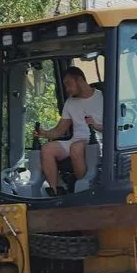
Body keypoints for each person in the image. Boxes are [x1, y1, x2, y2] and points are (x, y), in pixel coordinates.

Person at [33, 66, 103, 194]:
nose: (67, 89)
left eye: (68, 84)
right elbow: (59, 130)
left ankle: (84, 190)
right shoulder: (70, 102)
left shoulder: (102, 97)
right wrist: (44, 133)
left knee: (75, 148)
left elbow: (115, 128)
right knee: (47, 149)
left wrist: (96, 125)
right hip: (76, 141)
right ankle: (55, 191)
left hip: (98, 141)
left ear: (80, 80)